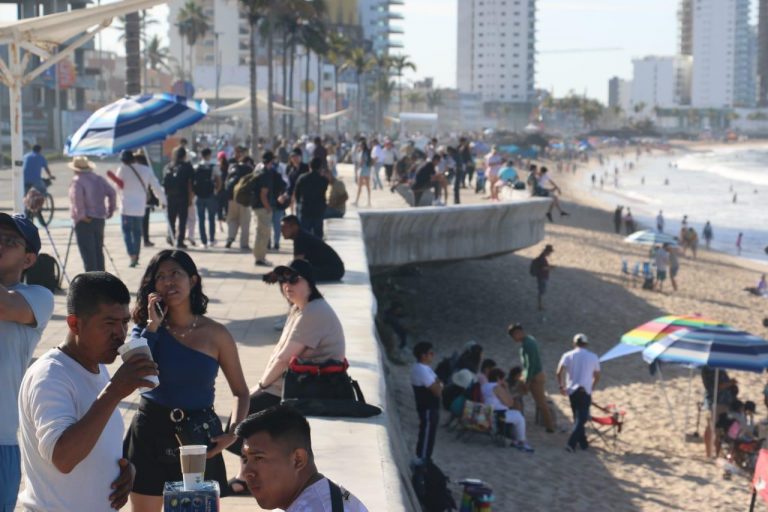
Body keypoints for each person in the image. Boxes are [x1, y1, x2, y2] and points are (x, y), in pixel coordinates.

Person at [18, 272, 159, 511]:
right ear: (75, 324)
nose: (120, 333)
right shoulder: (50, 375)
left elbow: (95, 438)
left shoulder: (97, 367)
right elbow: (63, 458)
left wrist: (124, 468)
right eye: (109, 323)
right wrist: (114, 392)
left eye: (124, 322)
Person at [124, 250, 249, 510]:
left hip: (198, 439)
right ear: (153, 286)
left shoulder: (216, 334)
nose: (169, 281)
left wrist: (232, 434)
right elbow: (136, 371)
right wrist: (153, 325)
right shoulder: (144, 330)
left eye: (175, 274)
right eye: (161, 276)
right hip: (150, 432)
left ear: (192, 280)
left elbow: (241, 392)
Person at [227, 259, 346, 494]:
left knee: (243, 419)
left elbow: (284, 359)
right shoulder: (302, 307)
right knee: (241, 417)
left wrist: (260, 386)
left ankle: (248, 476)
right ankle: (248, 474)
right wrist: (261, 385)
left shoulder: (315, 312)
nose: (287, 285)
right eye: (283, 281)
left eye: (294, 279)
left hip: (307, 388)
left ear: (309, 282)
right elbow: (281, 355)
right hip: (296, 383)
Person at [0, 214, 54, 511]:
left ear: (29, 260)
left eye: (10, 241)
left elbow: (3, 305)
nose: (0, 245)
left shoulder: (38, 297)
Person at [235, 405, 368, 511]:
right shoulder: (323, 493)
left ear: (298, 460)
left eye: (259, 458)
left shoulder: (317, 507)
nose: (247, 472)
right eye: (245, 459)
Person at [108, 150, 166, 268]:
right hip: (140, 207)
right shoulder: (146, 169)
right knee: (137, 232)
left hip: (126, 207)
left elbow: (117, 188)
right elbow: (156, 186)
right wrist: (163, 201)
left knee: (127, 232)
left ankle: (132, 255)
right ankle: (136, 255)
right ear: (133, 158)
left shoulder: (122, 169)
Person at [68, 156, 116, 272]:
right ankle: (102, 278)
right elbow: (112, 192)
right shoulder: (98, 178)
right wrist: (110, 209)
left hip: (85, 220)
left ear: (76, 169)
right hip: (99, 218)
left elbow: (77, 199)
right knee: (98, 251)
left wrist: (82, 215)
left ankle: (91, 281)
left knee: (88, 254)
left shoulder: (77, 180)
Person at [557, 333, 601, 453]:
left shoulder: (567, 355)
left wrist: (561, 386)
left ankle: (583, 443)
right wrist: (591, 387)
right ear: (586, 344)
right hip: (585, 390)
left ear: (574, 343)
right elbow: (597, 376)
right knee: (581, 419)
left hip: (572, 391)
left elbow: (558, 371)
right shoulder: (593, 356)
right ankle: (571, 444)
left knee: (578, 418)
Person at [508, 323, 555, 432]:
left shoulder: (528, 344)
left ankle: (550, 426)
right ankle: (517, 418)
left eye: (513, 335)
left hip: (534, 376)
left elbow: (531, 364)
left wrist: (527, 381)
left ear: (518, 333)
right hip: (530, 374)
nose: (513, 338)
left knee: (541, 402)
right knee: (516, 394)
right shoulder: (528, 340)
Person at [481, 368, 533, 452]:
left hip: (488, 414)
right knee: (519, 417)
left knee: (515, 415)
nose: (503, 381)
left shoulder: (484, 386)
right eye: (502, 379)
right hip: (498, 416)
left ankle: (515, 439)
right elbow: (510, 403)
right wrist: (506, 388)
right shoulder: (497, 387)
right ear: (498, 378)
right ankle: (522, 441)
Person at [280, 215, 345, 281]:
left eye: (284, 227)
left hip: (333, 270)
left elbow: (296, 263)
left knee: (298, 271)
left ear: (294, 227)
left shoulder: (301, 238)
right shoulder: (301, 235)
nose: (281, 230)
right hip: (334, 270)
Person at [411, 342, 442, 462]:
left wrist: (438, 384)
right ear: (423, 355)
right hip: (427, 407)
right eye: (430, 353)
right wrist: (438, 384)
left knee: (429, 435)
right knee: (426, 435)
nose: (432, 355)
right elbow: (437, 390)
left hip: (431, 407)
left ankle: (425, 459)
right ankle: (423, 460)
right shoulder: (421, 370)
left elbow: (438, 384)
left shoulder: (426, 369)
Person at [701, 366, 738, 458]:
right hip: (715, 402)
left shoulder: (717, 366)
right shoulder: (710, 368)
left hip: (722, 401)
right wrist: (730, 383)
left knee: (718, 429)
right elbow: (716, 386)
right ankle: (709, 453)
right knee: (712, 427)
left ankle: (715, 453)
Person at [163, 147, 194, 249]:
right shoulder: (187, 167)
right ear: (184, 155)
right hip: (183, 196)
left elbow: (164, 184)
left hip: (170, 197)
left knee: (171, 219)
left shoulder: (168, 166)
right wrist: (190, 198)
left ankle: (171, 236)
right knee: (182, 219)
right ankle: (180, 240)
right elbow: (190, 183)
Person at [251, 151, 277, 267]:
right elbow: (263, 194)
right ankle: (260, 258)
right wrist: (268, 207)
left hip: (256, 205)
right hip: (263, 207)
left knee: (259, 231)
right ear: (271, 161)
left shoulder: (257, 170)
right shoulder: (265, 173)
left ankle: (259, 256)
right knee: (264, 233)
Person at [193, 148, 222, 248]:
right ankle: (212, 239)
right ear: (209, 155)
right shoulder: (214, 167)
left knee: (201, 219)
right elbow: (219, 181)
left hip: (199, 196)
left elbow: (192, 182)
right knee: (211, 218)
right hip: (210, 195)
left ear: (201, 155)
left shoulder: (196, 166)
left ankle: (203, 241)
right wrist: (216, 191)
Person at [294, 157, 329, 238]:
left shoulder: (302, 178)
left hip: (305, 209)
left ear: (310, 166)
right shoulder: (323, 180)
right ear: (320, 167)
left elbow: (297, 194)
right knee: (317, 236)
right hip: (318, 210)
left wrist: (299, 203)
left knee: (304, 236)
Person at [225, 154, 254, 250]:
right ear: (249, 162)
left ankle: (230, 238)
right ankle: (244, 244)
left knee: (233, 219)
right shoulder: (249, 169)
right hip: (243, 199)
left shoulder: (233, 167)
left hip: (231, 198)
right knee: (245, 221)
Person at [531, 244, 554, 313]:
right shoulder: (542, 258)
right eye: (550, 252)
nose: (550, 254)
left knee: (542, 291)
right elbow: (543, 268)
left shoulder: (542, 257)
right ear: (547, 251)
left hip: (542, 276)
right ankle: (540, 305)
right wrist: (551, 268)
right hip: (542, 277)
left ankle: (540, 305)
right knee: (542, 291)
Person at [353, 139, 372, 207]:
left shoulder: (363, 153)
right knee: (368, 186)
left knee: (360, 186)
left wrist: (357, 168)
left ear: (362, 146)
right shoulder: (368, 152)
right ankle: (369, 201)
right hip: (368, 170)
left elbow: (362, 162)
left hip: (363, 170)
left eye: (360, 145)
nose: (359, 146)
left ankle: (356, 201)